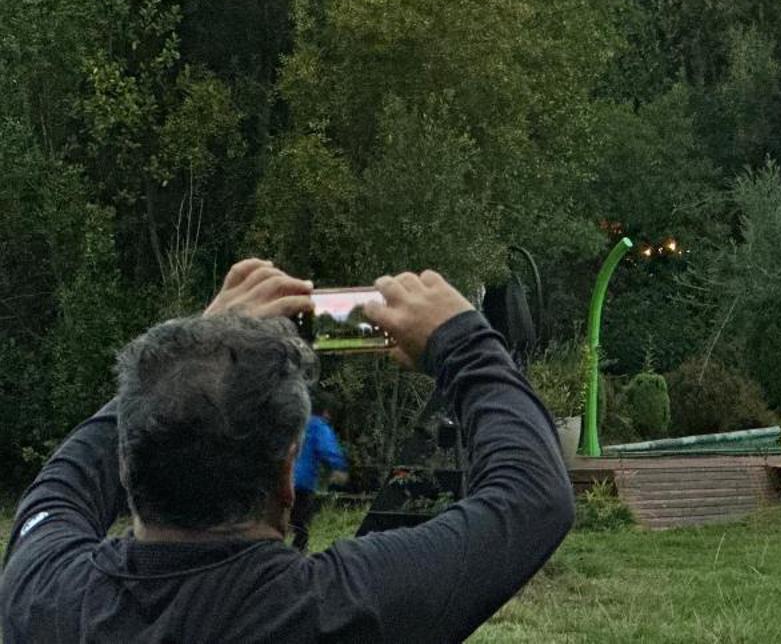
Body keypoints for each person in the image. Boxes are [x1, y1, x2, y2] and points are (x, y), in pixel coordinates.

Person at [0, 259, 574, 642]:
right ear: (284, 476)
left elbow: (63, 484)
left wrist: (197, 349)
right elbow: (531, 497)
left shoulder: (46, 594)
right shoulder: (334, 610)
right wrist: (464, 342)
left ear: (126, 467)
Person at [288, 406, 348, 552]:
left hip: (281, 478)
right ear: (325, 412)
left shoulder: (290, 421)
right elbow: (327, 448)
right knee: (301, 525)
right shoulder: (317, 425)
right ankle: (298, 555)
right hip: (302, 482)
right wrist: (338, 467)